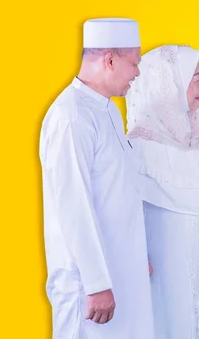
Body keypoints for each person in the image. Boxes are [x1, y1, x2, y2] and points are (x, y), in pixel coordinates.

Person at [39, 18, 154, 338]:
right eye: (136, 62)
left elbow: (121, 189)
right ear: (111, 60)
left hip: (120, 270)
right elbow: (73, 205)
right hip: (89, 287)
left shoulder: (108, 111)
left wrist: (137, 254)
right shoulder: (71, 116)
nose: (138, 73)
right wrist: (97, 283)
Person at [125, 44, 199, 338]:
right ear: (169, 81)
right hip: (167, 258)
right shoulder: (141, 142)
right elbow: (126, 210)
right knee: (175, 319)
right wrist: (133, 256)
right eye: (194, 77)